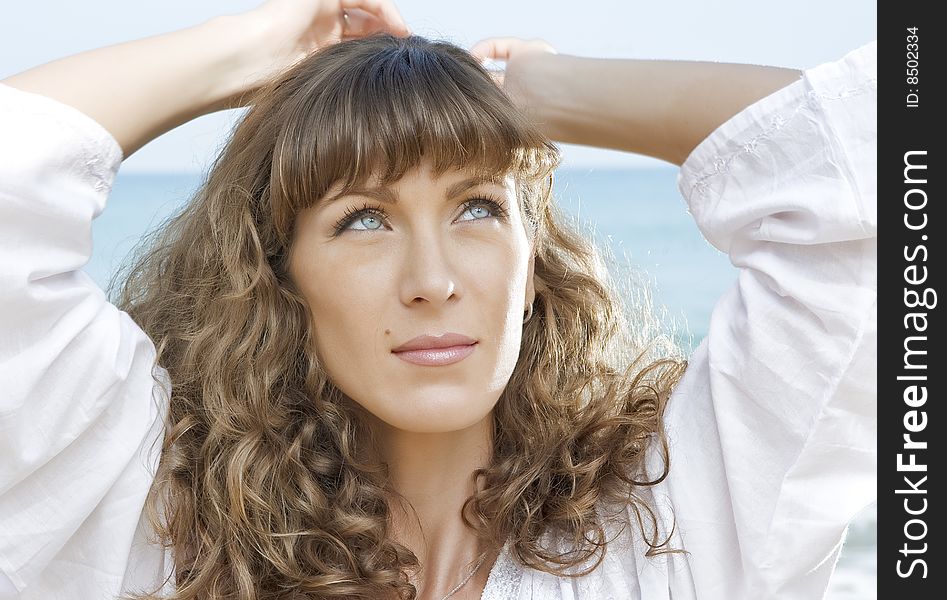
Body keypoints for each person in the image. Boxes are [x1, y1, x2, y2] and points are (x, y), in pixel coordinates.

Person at [0, 0, 876, 598]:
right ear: (277, 275)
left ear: (533, 264)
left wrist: (545, 95)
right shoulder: (157, 529)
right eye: (362, 222)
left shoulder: (677, 519)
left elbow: (892, 175)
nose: (433, 280)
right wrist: (260, 49)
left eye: (476, 208)